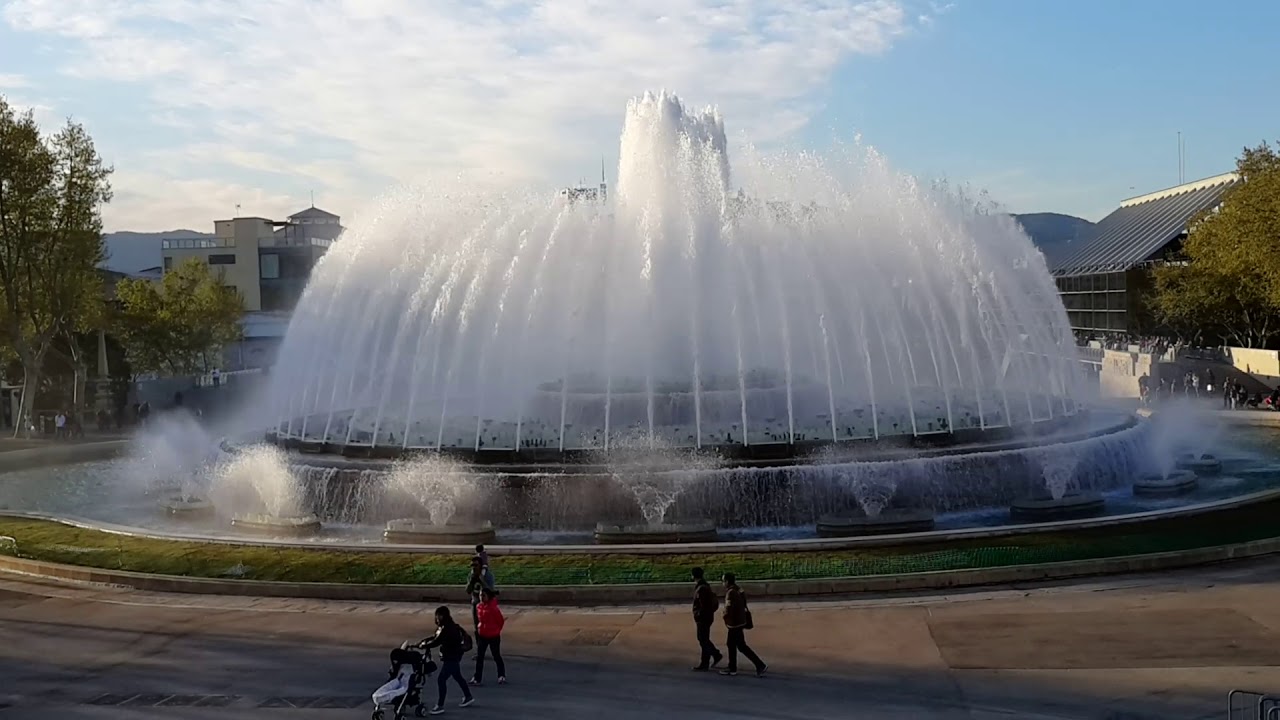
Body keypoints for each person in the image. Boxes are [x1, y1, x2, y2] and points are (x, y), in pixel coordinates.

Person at [420, 606, 475, 714]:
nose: (437, 618)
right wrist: (422, 643)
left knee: (441, 680)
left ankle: (440, 705)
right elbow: (435, 637)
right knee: (457, 676)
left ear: (442, 616)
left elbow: (437, 641)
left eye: (438, 616)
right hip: (454, 656)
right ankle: (468, 696)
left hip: (451, 657)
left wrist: (424, 645)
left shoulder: (447, 628)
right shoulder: (448, 626)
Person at [719, 573, 766, 677]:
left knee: (733, 645)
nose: (722, 583)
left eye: (723, 581)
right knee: (740, 645)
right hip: (741, 621)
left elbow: (728, 609)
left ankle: (733, 668)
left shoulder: (730, 593)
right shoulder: (739, 589)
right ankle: (758, 665)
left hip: (734, 623)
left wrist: (725, 617)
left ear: (727, 581)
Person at [471, 587, 506, 686]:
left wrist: (496, 630)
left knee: (496, 655)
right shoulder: (479, 606)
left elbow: (500, 621)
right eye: (480, 595)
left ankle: (501, 675)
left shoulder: (493, 608)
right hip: (482, 634)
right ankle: (477, 678)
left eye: (483, 595)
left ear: (488, 596)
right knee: (480, 657)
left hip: (493, 635)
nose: (481, 597)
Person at [690, 567, 723, 671]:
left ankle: (709, 659)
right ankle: (712, 657)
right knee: (704, 639)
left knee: (702, 639)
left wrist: (698, 615)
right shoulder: (704, 586)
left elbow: (704, 605)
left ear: (693, 576)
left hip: (703, 618)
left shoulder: (701, 588)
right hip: (706, 617)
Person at [465, 555, 494, 629]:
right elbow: (468, 591)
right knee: (477, 626)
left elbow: (491, 592)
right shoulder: (471, 576)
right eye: (472, 566)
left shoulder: (488, 576)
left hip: (486, 606)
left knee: (487, 626)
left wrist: (482, 581)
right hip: (475, 604)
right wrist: (471, 582)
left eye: (476, 565)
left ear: (481, 566)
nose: (474, 568)